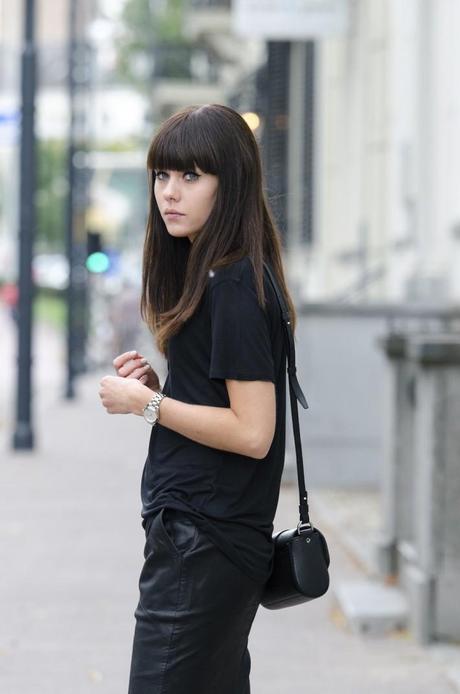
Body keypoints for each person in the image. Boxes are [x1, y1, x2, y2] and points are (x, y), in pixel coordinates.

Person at [98, 104, 298, 694]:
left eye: (192, 176)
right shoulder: (222, 278)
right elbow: (230, 407)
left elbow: (253, 432)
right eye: (162, 175)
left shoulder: (233, 285)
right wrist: (167, 390)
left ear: (229, 183)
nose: (170, 193)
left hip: (203, 542)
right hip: (210, 539)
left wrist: (147, 406)